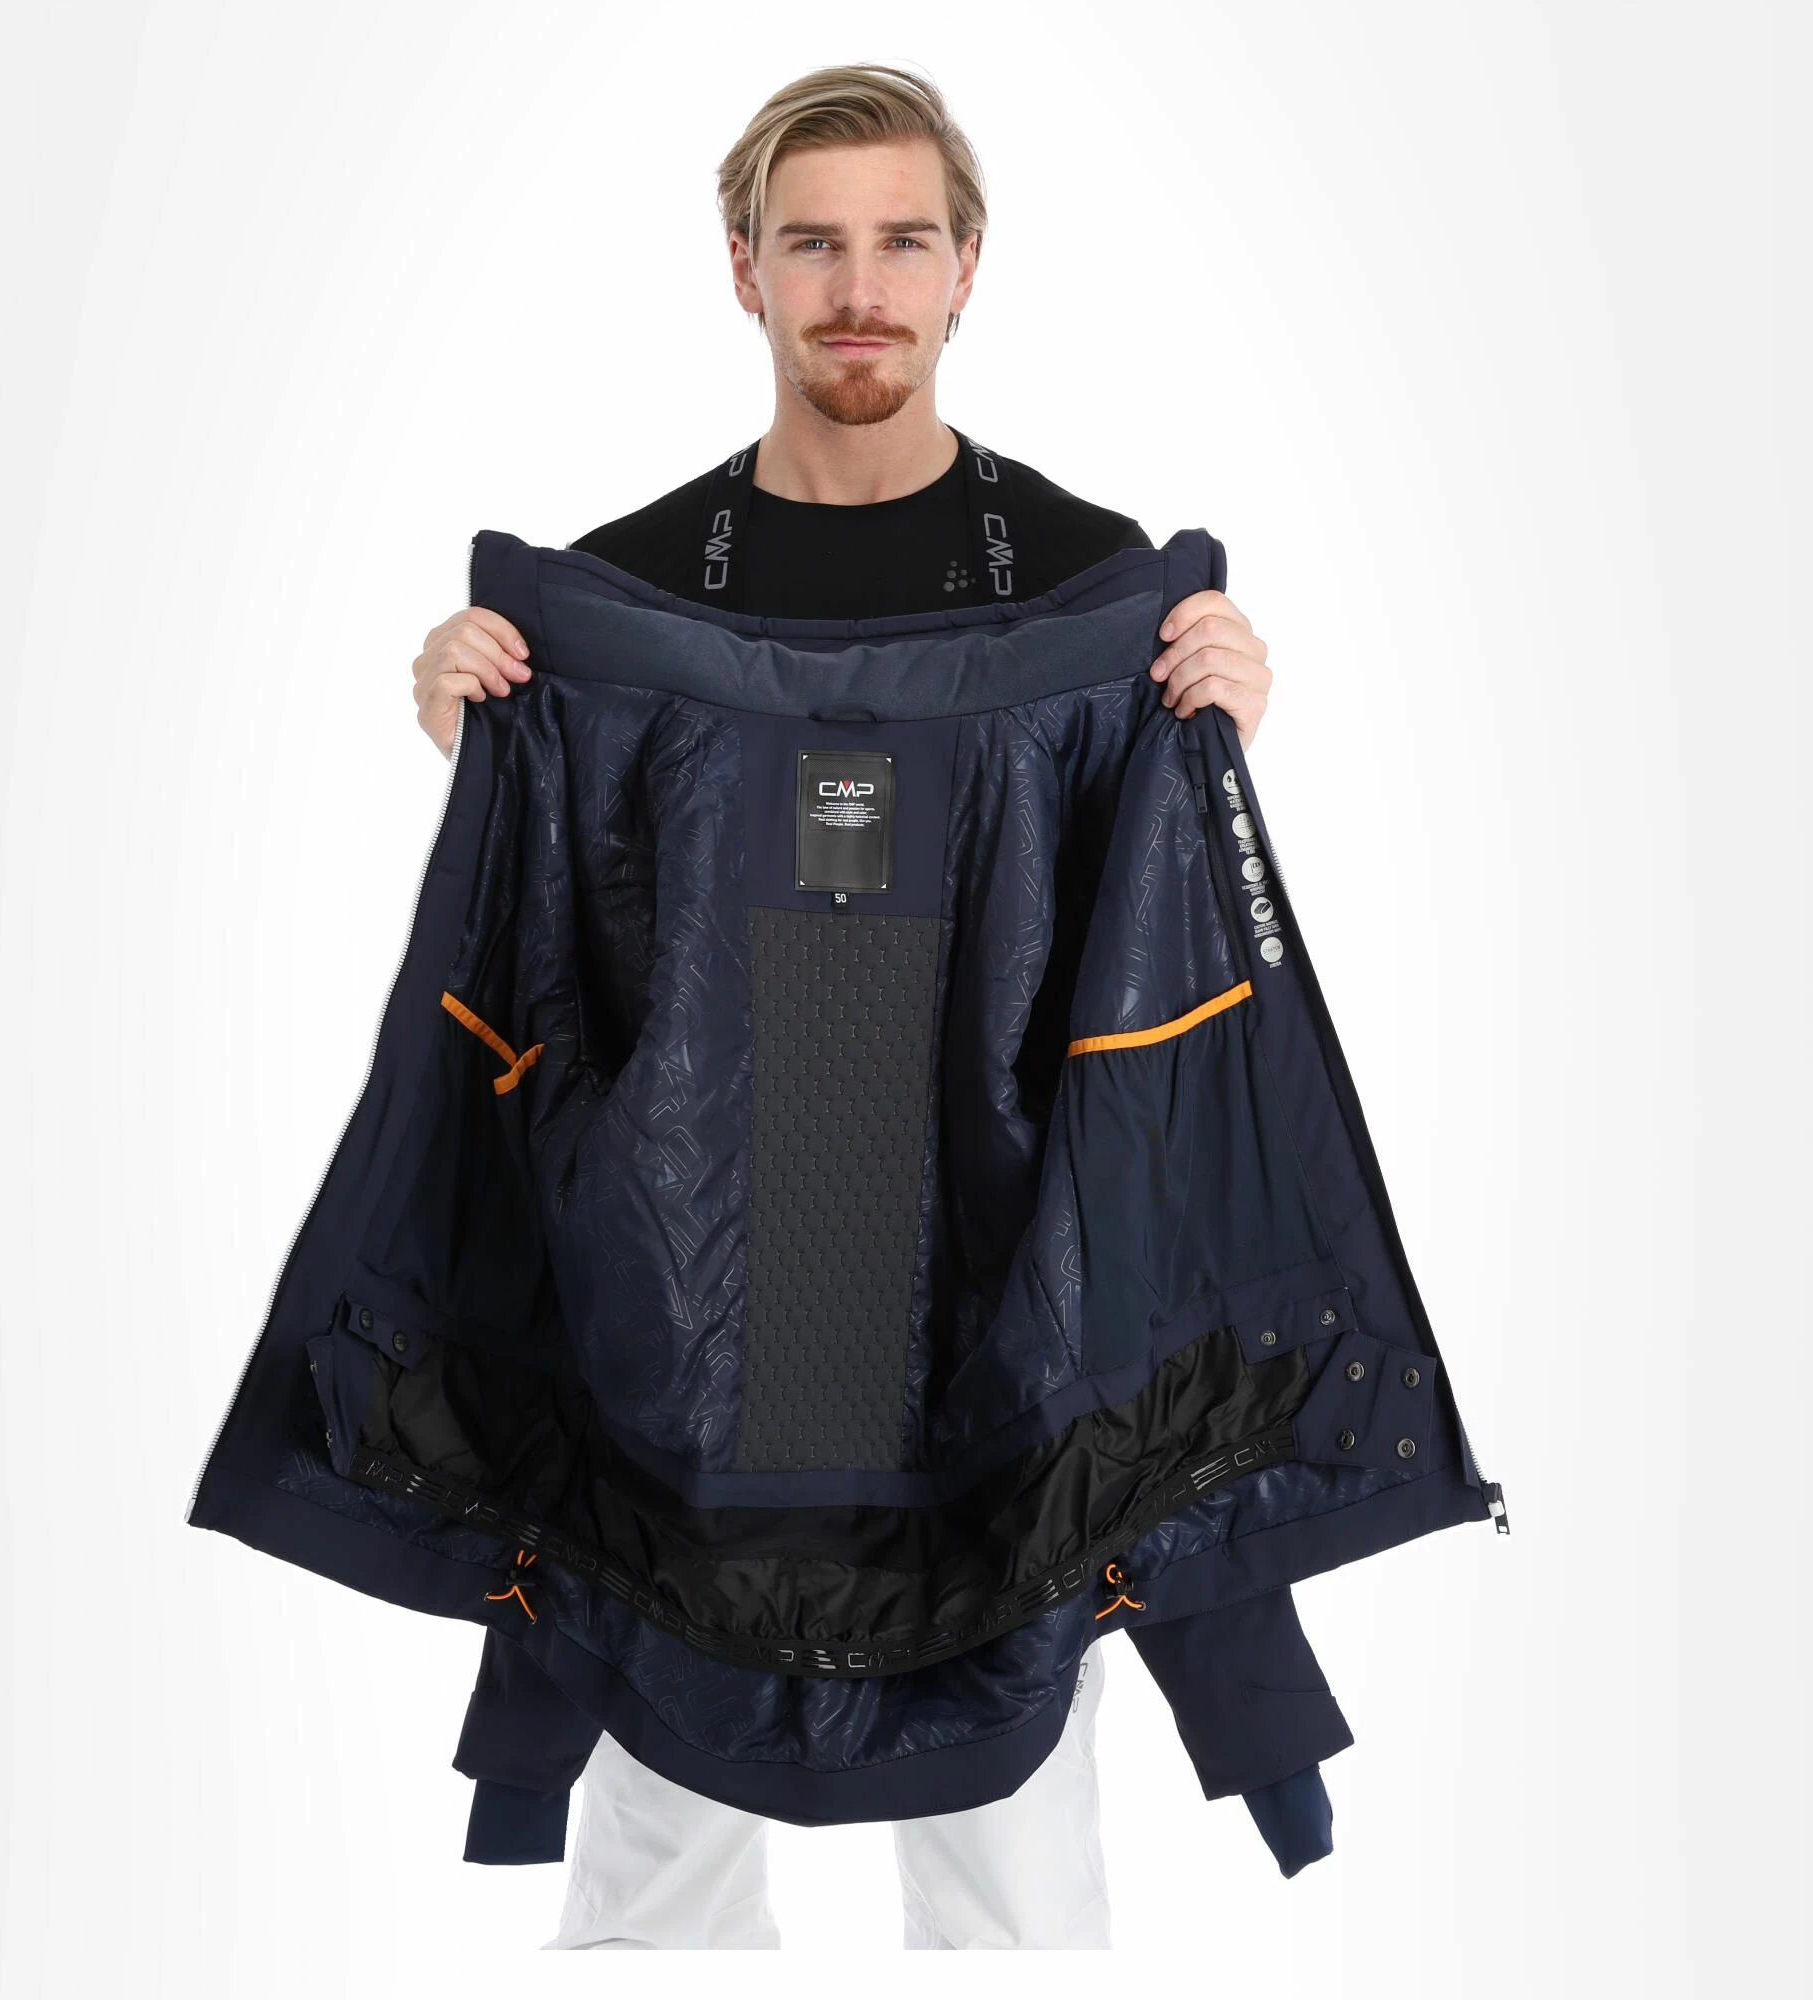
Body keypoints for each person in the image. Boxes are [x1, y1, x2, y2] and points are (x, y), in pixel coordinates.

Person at [404, 63, 1280, 1952]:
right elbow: (565, 949)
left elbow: (1143, 980)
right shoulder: (619, 596)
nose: (859, 289)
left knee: (1017, 1887)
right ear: (746, 270)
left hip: (995, 1294)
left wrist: (1210, 724)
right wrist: (484, 727)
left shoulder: (1089, 582)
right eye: (813, 244)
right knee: (656, 1886)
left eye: (901, 241)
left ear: (968, 266)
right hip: (697, 1310)